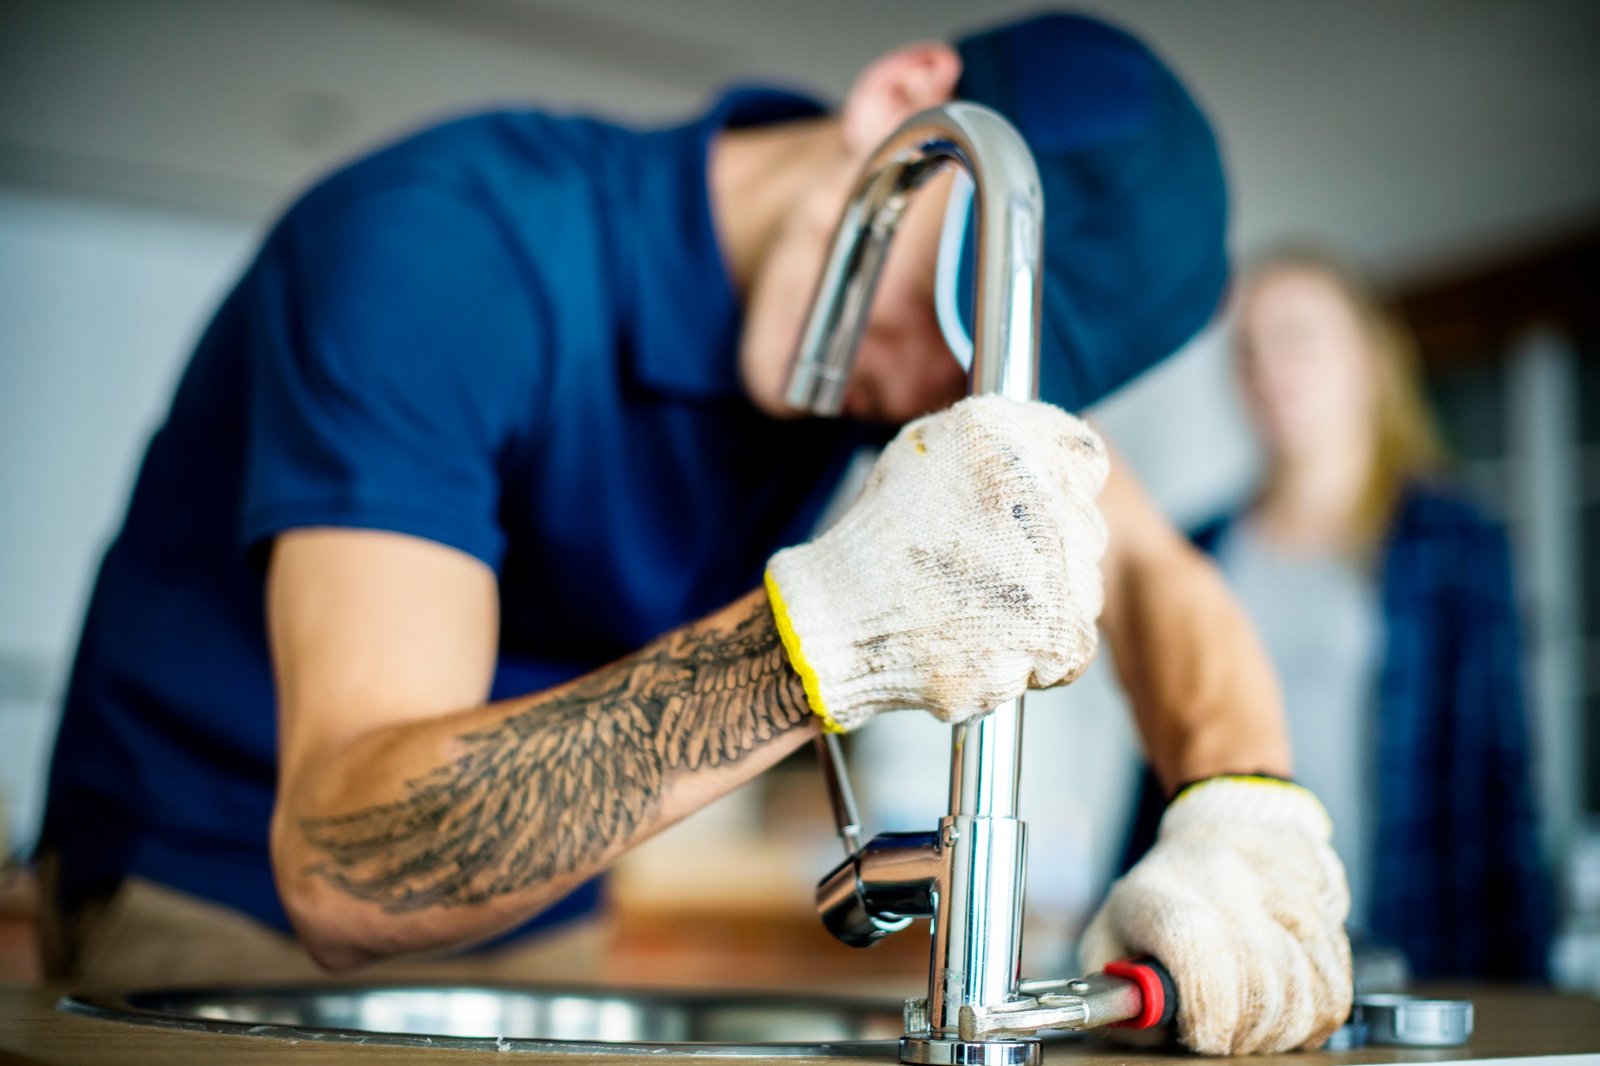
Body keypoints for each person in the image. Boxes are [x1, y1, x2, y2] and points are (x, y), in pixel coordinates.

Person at [38, 12, 1349, 1053]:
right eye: (946, 302)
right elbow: (345, 860)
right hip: (203, 892)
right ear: (901, 105)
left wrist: (1248, 816)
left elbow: (1162, 583)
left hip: (537, 911)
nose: (915, 388)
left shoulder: (886, 360)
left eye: (976, 377)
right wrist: (820, 639)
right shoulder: (451, 249)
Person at [1120, 247, 1554, 981]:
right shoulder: (1198, 548)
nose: (1267, 367)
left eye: (1297, 336)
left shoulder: (1455, 543)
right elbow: (1156, 777)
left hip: (1417, 949)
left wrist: (1525, 992)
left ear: (1369, 360)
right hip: (1236, 958)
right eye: (1248, 348)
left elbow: (1497, 782)